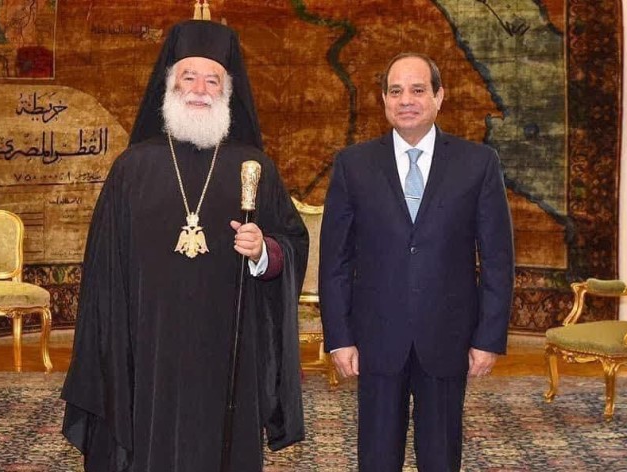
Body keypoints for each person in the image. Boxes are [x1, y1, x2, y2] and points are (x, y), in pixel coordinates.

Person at [61, 19, 308, 472]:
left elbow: (290, 243)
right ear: (169, 85)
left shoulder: (255, 167)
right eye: (188, 77)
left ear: (227, 91)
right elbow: (104, 270)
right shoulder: (131, 169)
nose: (199, 89)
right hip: (147, 347)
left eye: (212, 80)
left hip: (229, 347)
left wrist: (263, 252)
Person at [319, 52, 515, 472]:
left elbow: (497, 259)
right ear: (384, 100)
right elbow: (335, 260)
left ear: (439, 97)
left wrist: (488, 337)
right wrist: (339, 337)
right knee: (376, 458)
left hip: (448, 338)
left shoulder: (478, 163)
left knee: (441, 457)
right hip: (375, 340)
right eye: (395, 91)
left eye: (418, 89)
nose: (406, 100)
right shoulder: (353, 165)